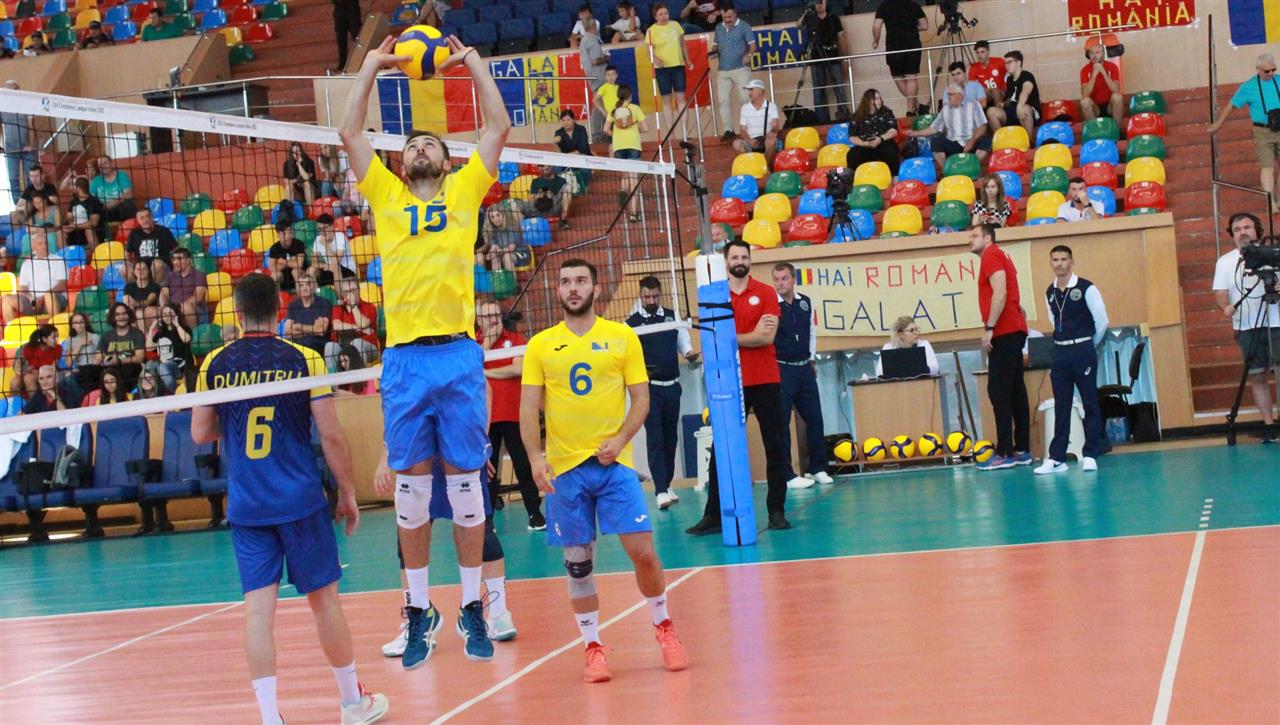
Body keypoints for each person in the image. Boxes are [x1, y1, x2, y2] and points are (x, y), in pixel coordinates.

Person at [340, 31, 510, 669]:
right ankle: (417, 609)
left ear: (445, 159)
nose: (417, 147)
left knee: (467, 490)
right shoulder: (386, 195)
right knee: (410, 495)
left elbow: (498, 127)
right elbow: (349, 132)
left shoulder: (465, 191)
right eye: (410, 143)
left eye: (429, 143)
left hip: (458, 354)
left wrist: (473, 63)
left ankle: (471, 606)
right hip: (406, 358)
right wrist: (370, 66)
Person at [191, 273, 389, 725]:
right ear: (280, 311)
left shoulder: (215, 363)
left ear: (237, 312)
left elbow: (200, 432)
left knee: (258, 613)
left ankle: (269, 717)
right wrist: (347, 492)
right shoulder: (304, 358)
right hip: (300, 501)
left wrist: (235, 423)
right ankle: (352, 703)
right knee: (325, 602)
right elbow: (331, 435)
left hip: (248, 506)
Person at [519, 258, 688, 683]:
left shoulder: (621, 336)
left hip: (614, 466)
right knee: (578, 565)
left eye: (581, 281)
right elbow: (528, 407)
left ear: (596, 289)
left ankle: (663, 624)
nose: (572, 288)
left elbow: (642, 399)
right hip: (565, 471)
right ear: (558, 291)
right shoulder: (540, 345)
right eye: (565, 282)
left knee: (644, 553)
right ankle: (592, 647)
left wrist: (622, 439)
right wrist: (536, 457)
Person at [686, 241, 810, 536]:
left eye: (744, 256)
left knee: (775, 446)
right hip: (730, 381)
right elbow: (712, 339)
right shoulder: (716, 295)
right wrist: (747, 335)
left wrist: (729, 336)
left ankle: (776, 512)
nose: (740, 261)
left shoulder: (765, 292)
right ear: (726, 262)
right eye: (735, 257)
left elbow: (766, 338)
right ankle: (713, 515)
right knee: (721, 448)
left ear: (750, 260)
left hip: (766, 379)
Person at [377, 446, 519, 657]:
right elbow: (392, 424)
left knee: (480, 529)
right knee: (408, 537)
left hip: (457, 450)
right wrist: (385, 459)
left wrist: (478, 443)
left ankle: (498, 613)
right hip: (419, 455)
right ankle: (417, 619)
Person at [626, 275, 699, 510]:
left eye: (655, 296)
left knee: (670, 438)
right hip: (649, 390)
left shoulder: (672, 317)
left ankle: (667, 484)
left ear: (660, 295)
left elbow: (683, 344)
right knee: (655, 438)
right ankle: (659, 490)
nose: (651, 300)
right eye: (647, 296)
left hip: (673, 387)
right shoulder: (630, 324)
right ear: (640, 295)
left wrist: (690, 355)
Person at [1034, 245, 1109, 474]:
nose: (1059, 264)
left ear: (1071, 261)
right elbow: (1053, 319)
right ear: (1051, 263)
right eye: (1055, 260)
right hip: (1060, 352)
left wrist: (1087, 344)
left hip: (1083, 350)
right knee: (1062, 404)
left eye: (1063, 259)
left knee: (1089, 402)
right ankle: (1057, 458)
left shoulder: (1087, 288)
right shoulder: (1050, 291)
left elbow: (1102, 321)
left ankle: (1091, 454)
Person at [968, 223, 1032, 470]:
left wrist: (990, 327)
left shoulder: (991, 255)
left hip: (1005, 331)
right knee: (1015, 390)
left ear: (988, 238)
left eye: (974, 235)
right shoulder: (1000, 255)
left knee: (999, 391)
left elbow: (1001, 292)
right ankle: (1022, 449)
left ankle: (1005, 452)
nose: (970, 239)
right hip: (1012, 329)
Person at [1212, 212, 1280, 442]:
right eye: (1237, 229)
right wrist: (1225, 307)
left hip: (1277, 322)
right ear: (1232, 234)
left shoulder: (1274, 253)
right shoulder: (1225, 262)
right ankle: (1269, 426)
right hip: (1247, 326)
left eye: (1247, 227)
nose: (1243, 232)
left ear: (1257, 230)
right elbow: (1220, 292)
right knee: (1258, 376)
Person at [477, 301, 544, 529]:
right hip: (486, 418)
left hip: (514, 413)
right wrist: (488, 341)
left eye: (496, 315)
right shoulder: (474, 344)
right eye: (487, 317)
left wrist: (485, 372)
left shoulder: (514, 339)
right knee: (488, 469)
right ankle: (487, 520)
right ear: (478, 320)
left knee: (523, 465)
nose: (493, 320)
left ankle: (534, 514)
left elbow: (519, 368)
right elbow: (470, 367)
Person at [772, 262, 833, 486]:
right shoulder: (771, 304)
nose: (780, 283)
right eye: (776, 279)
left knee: (814, 418)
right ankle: (787, 473)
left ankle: (818, 468)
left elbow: (811, 331)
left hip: (804, 368)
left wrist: (811, 358)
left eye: (784, 278)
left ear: (793, 279)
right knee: (782, 422)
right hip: (782, 369)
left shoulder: (805, 302)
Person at [1208, 53, 1280, 214]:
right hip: (1263, 131)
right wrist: (1219, 123)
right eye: (1267, 71)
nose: (1271, 73)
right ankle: (1270, 202)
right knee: (1267, 167)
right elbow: (1232, 105)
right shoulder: (1249, 86)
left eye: (1273, 70)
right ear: (1258, 69)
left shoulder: (1279, 80)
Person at [904, 84, 990, 171]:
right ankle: (947, 170)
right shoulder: (946, 108)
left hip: (972, 140)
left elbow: (982, 127)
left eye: (951, 94)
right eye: (948, 94)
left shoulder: (974, 105)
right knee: (935, 142)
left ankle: (972, 166)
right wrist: (916, 133)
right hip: (954, 142)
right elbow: (935, 128)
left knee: (986, 141)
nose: (948, 97)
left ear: (960, 95)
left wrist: (971, 142)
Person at [871, 0, 927, 116]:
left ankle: (913, 109)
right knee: (911, 77)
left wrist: (876, 41)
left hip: (894, 45)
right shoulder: (913, 4)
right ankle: (913, 108)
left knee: (897, 76)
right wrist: (911, 27)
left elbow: (876, 26)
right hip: (912, 43)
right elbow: (924, 25)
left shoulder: (884, 6)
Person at [604, 85, 649, 223]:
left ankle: (623, 189)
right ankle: (633, 214)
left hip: (618, 146)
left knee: (625, 176)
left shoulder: (614, 110)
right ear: (630, 96)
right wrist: (635, 130)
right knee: (634, 178)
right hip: (633, 144)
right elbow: (645, 128)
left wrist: (616, 135)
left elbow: (605, 129)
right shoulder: (635, 108)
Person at [712, 4, 757, 141]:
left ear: (735, 14)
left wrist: (748, 55)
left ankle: (747, 129)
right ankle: (728, 130)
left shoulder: (744, 26)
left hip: (740, 69)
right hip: (723, 70)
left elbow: (753, 46)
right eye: (724, 17)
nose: (727, 20)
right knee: (723, 100)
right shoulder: (718, 28)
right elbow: (715, 46)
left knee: (744, 98)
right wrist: (713, 53)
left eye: (730, 17)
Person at [799, 0, 848, 124]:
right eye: (817, 2)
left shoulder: (833, 18)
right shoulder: (810, 18)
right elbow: (798, 25)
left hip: (832, 55)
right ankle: (821, 120)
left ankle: (843, 115)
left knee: (839, 86)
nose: (819, 3)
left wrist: (844, 58)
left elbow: (841, 37)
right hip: (816, 57)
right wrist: (807, 11)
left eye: (821, 1)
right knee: (818, 89)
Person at [2, 225, 66, 320]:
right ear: (33, 247)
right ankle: (11, 328)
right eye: (40, 244)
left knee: (49, 295)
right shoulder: (27, 264)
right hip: (33, 302)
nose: (44, 246)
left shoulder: (59, 260)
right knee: (7, 299)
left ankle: (55, 326)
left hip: (55, 298)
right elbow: (23, 288)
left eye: (46, 243)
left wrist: (43, 297)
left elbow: (62, 284)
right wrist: (31, 298)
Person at [646, 3, 689, 133]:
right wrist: (656, 59)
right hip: (662, 69)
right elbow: (649, 50)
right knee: (666, 99)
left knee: (681, 97)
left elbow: (683, 43)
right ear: (655, 17)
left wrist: (688, 59)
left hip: (678, 65)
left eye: (666, 13)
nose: (664, 16)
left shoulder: (675, 25)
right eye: (660, 14)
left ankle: (685, 130)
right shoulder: (651, 30)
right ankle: (670, 131)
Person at [846, 88, 900, 176]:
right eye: (876, 99)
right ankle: (855, 179)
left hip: (883, 143)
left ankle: (894, 177)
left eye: (879, 98)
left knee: (891, 149)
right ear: (868, 101)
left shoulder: (887, 112)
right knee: (852, 155)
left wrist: (881, 139)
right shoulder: (857, 116)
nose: (880, 101)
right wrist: (864, 143)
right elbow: (852, 136)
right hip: (865, 145)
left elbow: (893, 130)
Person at [327, 277, 379, 367]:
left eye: (353, 290)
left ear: (359, 291)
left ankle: (361, 375)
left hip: (368, 346)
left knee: (356, 343)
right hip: (343, 346)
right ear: (342, 294)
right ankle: (336, 376)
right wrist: (357, 328)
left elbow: (362, 324)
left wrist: (353, 306)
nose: (350, 294)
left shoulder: (369, 306)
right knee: (329, 346)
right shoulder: (338, 308)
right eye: (346, 291)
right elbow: (337, 326)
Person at [986, 50, 1039, 136]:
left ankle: (1028, 141)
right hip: (1012, 111)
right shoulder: (1009, 80)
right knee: (991, 111)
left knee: (1023, 109)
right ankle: (1002, 140)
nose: (1006, 65)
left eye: (1009, 62)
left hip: (1028, 110)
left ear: (1018, 63)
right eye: (1005, 63)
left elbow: (1025, 91)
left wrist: (1019, 106)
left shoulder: (1027, 75)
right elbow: (1010, 98)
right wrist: (1003, 104)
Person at [1, 80, 36, 206]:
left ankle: (31, 203)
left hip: (26, 148)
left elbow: (31, 127)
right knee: (13, 178)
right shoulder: (2, 106)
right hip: (10, 148)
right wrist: (1, 145)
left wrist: (31, 144)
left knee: (31, 177)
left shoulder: (26, 104)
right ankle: (18, 206)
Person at [732, 79, 782, 164]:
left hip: (765, 140)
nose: (749, 92)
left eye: (751, 89)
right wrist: (749, 140)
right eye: (748, 90)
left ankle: (765, 165)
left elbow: (775, 125)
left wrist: (772, 132)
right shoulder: (745, 108)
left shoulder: (771, 106)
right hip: (751, 141)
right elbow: (742, 130)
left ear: (761, 90)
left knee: (772, 141)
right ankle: (752, 165)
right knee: (736, 143)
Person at [285, 272, 334, 357]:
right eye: (301, 285)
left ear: (314, 286)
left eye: (308, 284)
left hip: (318, 348)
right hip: (297, 350)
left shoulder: (324, 303)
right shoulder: (292, 306)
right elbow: (288, 333)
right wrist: (312, 329)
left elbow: (320, 331)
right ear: (297, 289)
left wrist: (298, 326)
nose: (305, 288)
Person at [99, 303, 147, 389]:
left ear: (129, 315)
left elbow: (139, 358)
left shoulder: (137, 334)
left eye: (124, 313)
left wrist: (119, 361)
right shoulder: (106, 336)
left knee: (127, 368)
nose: (121, 317)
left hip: (131, 369)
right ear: (113, 317)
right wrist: (107, 358)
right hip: (111, 369)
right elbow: (98, 355)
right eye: (117, 314)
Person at [146, 303, 192, 393]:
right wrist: (151, 329)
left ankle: (174, 392)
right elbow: (149, 348)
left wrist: (177, 325)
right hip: (164, 365)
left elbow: (186, 340)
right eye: (165, 314)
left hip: (180, 367)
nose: (167, 317)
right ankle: (155, 392)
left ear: (176, 315)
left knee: (162, 367)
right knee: (149, 365)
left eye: (170, 314)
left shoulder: (184, 328)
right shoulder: (161, 333)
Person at [875, 315, 940, 376]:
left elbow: (935, 368)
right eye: (912, 330)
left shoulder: (924, 344)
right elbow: (879, 372)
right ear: (901, 334)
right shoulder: (888, 348)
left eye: (916, 329)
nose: (916, 333)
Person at [126, 207, 177, 283]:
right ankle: (137, 288)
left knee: (156, 265)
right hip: (142, 266)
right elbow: (127, 253)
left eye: (147, 216)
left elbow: (175, 250)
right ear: (138, 221)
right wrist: (129, 264)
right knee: (124, 269)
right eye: (142, 218)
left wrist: (175, 266)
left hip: (161, 266)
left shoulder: (163, 231)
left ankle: (156, 289)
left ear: (152, 217)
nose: (145, 220)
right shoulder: (134, 233)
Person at [578, 23, 610, 143]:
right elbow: (596, 61)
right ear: (594, 27)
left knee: (602, 105)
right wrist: (606, 58)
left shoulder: (584, 40)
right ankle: (596, 135)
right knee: (599, 105)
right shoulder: (591, 40)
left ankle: (601, 134)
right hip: (599, 76)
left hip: (594, 76)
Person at [162, 248, 208, 329]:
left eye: (179, 259)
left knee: (186, 308)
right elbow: (163, 294)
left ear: (188, 260)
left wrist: (177, 308)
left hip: (195, 309)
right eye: (174, 260)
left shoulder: (199, 275)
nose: (175, 262)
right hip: (173, 308)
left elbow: (198, 297)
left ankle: (190, 335)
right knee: (148, 312)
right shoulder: (170, 276)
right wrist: (164, 308)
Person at [1079, 43, 1123, 123]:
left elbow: (1116, 90)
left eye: (1097, 52)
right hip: (1095, 108)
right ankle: (1094, 129)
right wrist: (1093, 76)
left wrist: (1104, 73)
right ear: (1089, 54)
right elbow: (1085, 94)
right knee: (1084, 102)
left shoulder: (1112, 67)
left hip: (1110, 106)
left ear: (1103, 54)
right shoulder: (1085, 70)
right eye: (1092, 53)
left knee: (1117, 97)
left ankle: (1117, 129)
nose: (1094, 56)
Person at [525, 164, 574, 229]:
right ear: (539, 168)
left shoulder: (561, 181)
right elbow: (531, 201)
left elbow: (565, 199)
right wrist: (538, 196)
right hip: (539, 210)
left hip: (554, 208)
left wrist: (552, 196)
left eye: (546, 164)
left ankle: (563, 219)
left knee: (568, 187)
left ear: (552, 165)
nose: (544, 167)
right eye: (541, 165)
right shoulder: (536, 182)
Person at [312, 214, 356, 286]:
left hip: (347, 269)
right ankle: (319, 291)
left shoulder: (340, 237)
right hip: (329, 269)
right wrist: (326, 265)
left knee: (335, 268)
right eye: (320, 229)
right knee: (311, 270)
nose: (322, 232)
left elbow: (336, 261)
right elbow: (314, 262)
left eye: (325, 228)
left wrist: (325, 245)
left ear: (332, 226)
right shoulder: (318, 239)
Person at [90, 155, 136, 224]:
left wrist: (113, 203)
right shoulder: (96, 180)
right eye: (100, 165)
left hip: (120, 208)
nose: (103, 166)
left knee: (128, 203)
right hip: (104, 210)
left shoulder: (121, 175)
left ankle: (130, 228)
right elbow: (90, 198)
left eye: (105, 163)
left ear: (111, 163)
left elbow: (129, 194)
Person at [268, 220, 309, 294]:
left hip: (300, 275)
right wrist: (291, 262)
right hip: (284, 278)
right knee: (275, 275)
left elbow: (299, 265)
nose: (288, 236)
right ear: (278, 234)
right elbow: (272, 268)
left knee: (295, 271)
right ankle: (277, 298)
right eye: (284, 233)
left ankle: (300, 295)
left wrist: (283, 261)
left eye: (290, 232)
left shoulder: (299, 244)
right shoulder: (274, 248)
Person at [479, 202, 522, 272]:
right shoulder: (491, 231)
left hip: (519, 253)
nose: (496, 219)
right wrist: (490, 254)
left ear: (503, 215)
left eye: (498, 215)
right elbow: (494, 248)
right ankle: (498, 279)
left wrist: (499, 251)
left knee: (506, 257)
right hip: (503, 253)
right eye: (492, 217)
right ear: (490, 220)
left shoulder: (511, 226)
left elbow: (511, 248)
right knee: (494, 257)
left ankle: (512, 279)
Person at [64, 177, 105, 248]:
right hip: (75, 229)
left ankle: (96, 253)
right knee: (60, 231)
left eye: (73, 186)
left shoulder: (94, 201)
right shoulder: (74, 201)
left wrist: (74, 226)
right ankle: (66, 253)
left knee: (89, 230)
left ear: (78, 188)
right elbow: (69, 217)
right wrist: (68, 221)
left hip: (90, 230)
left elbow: (94, 223)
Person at [123, 259, 162, 331]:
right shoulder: (129, 286)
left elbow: (148, 301)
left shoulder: (154, 286)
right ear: (134, 272)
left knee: (139, 313)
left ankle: (144, 335)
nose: (141, 271)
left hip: (149, 315)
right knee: (134, 314)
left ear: (148, 271)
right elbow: (127, 302)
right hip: (133, 313)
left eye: (144, 269)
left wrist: (136, 303)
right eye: (138, 269)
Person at [968, 40, 1005, 106]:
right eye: (977, 53)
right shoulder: (974, 68)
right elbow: (972, 87)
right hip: (986, 93)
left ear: (988, 51)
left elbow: (1011, 73)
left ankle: (999, 110)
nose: (980, 55)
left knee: (995, 91)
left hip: (1001, 91)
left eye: (982, 52)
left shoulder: (999, 62)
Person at [593, 65, 621, 145]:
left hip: (619, 116)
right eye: (608, 75)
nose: (611, 77)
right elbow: (594, 100)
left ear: (616, 75)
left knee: (620, 136)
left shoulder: (619, 88)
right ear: (605, 77)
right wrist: (602, 110)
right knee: (610, 139)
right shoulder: (604, 87)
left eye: (613, 74)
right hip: (609, 116)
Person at [332, 0, 363, 71]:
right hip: (338, 7)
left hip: (351, 7)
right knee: (341, 38)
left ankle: (361, 60)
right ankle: (342, 64)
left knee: (357, 36)